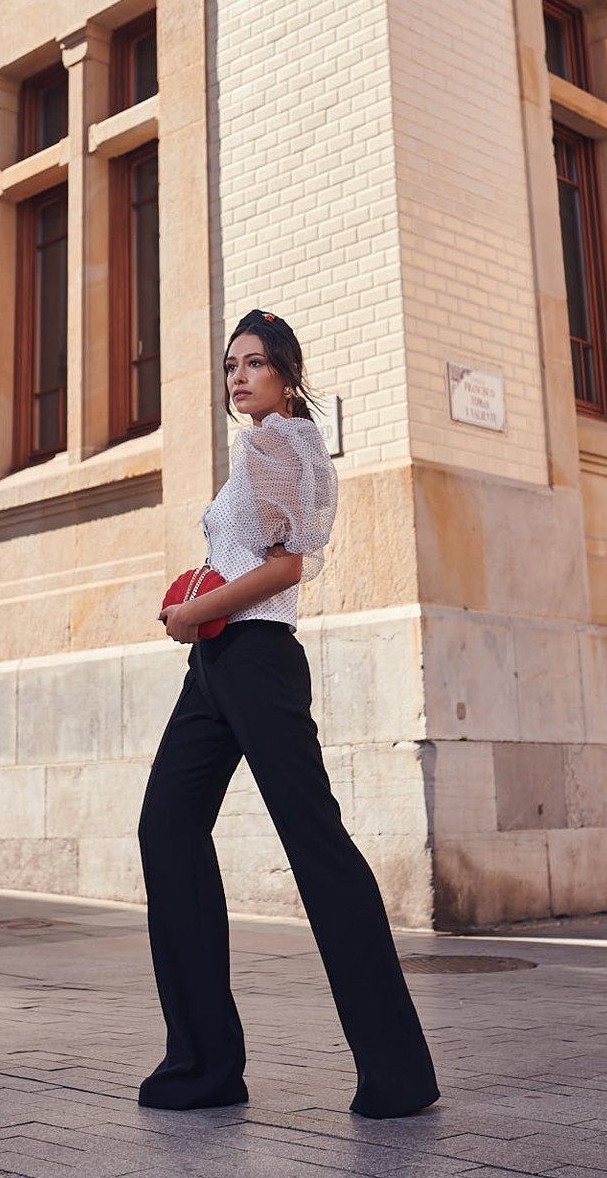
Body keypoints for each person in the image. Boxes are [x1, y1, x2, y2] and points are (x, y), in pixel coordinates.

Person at [137, 309, 440, 1119]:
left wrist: (192, 613)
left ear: (285, 371)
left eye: (255, 363)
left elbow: (283, 570)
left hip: (257, 660)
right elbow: (249, 555)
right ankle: (203, 1065)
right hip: (219, 665)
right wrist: (201, 598)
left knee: (317, 847)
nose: (239, 376)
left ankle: (398, 1076)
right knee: (166, 826)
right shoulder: (271, 443)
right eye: (231, 363)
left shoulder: (278, 439)